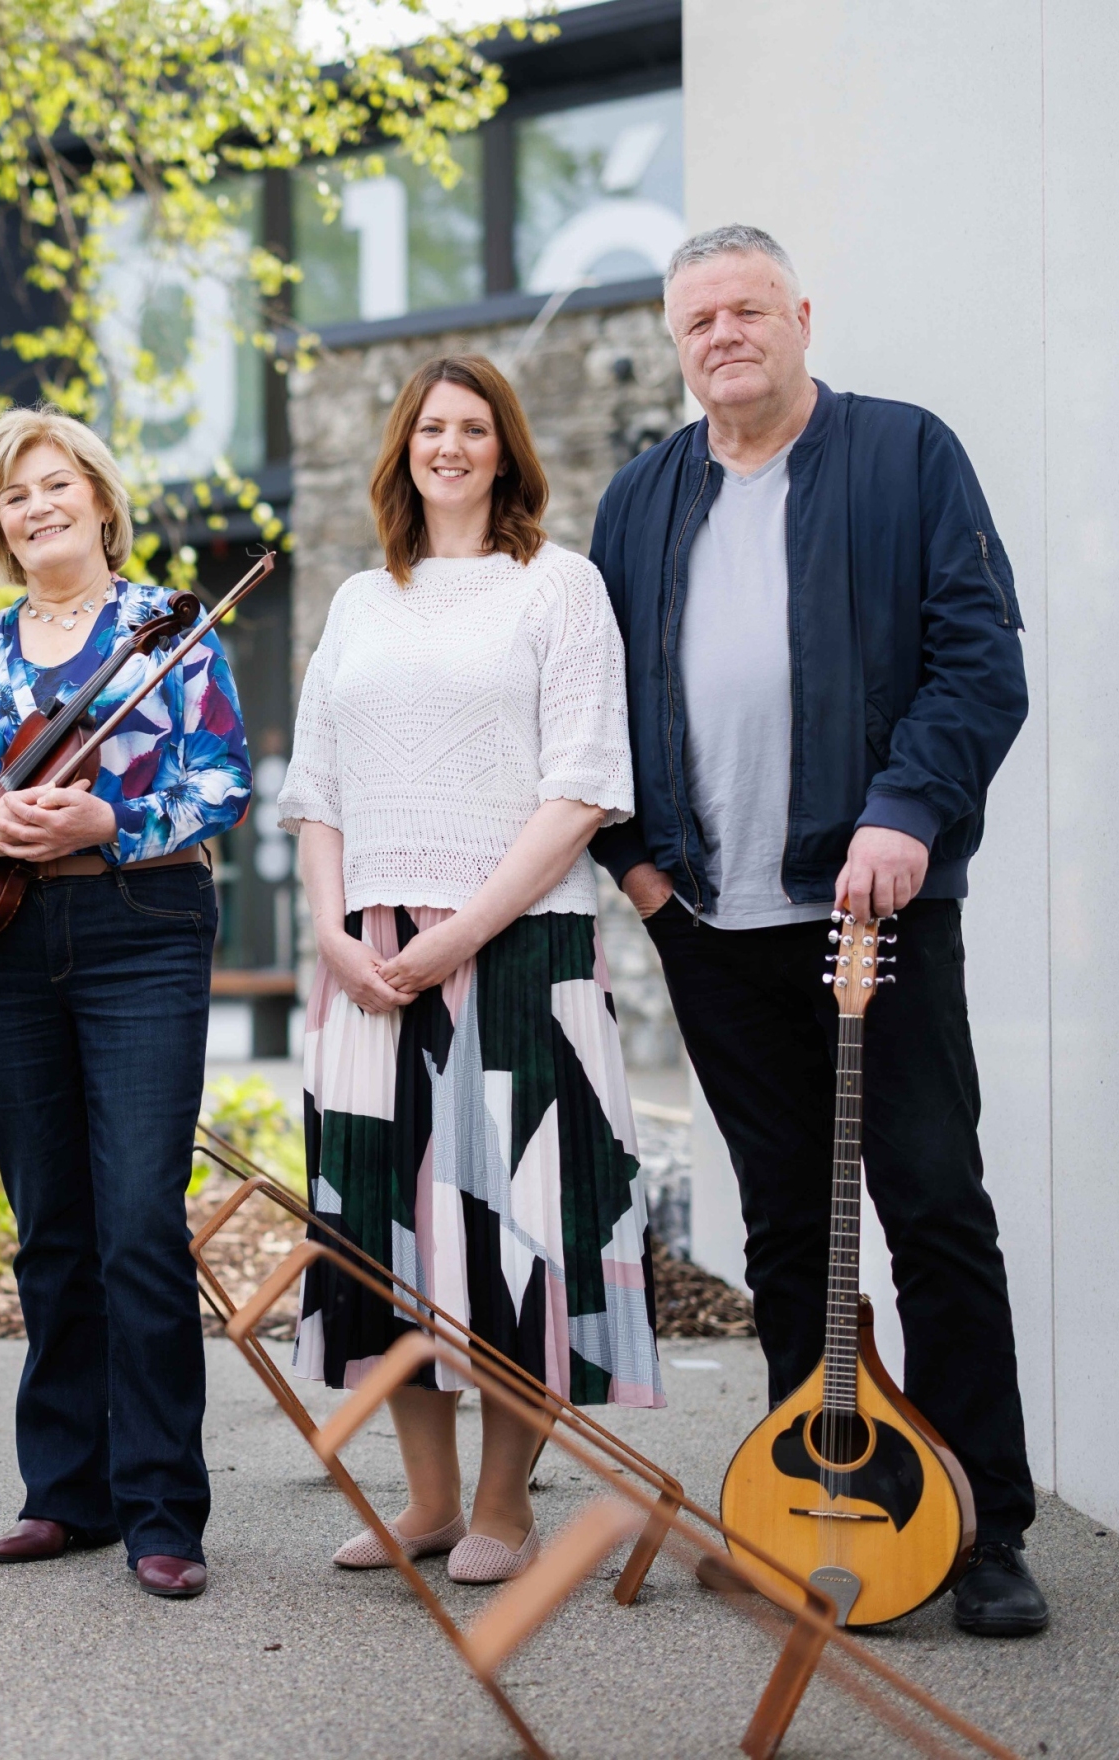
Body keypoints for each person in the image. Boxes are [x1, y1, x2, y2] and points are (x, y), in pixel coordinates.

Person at [588, 224, 1042, 1637]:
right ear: (679, 346)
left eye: (744, 310)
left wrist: (905, 813)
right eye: (695, 322)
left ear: (797, 315)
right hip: (715, 926)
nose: (721, 336)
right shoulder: (642, 499)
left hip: (877, 915)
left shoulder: (906, 458)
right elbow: (593, 710)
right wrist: (645, 877)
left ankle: (984, 1526)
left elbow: (980, 661)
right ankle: (818, 1496)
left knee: (932, 1209)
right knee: (789, 1228)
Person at [278, 357, 657, 1586]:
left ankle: (506, 1506)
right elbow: (317, 787)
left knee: (518, 1232)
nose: (450, 446)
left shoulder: (559, 588)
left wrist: (458, 933)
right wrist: (336, 929)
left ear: (505, 452)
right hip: (368, 959)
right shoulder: (356, 600)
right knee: (388, 1237)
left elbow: (586, 784)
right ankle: (427, 1504)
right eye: (430, 427)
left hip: (519, 950)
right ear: (403, 448)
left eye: (473, 429)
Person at [0, 406, 250, 1599]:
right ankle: (66, 1490)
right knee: (48, 1216)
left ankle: (161, 1506)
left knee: (138, 1216)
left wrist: (111, 819)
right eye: (11, 498)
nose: (34, 509)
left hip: (140, 925)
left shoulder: (170, 633)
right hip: (9, 936)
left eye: (53, 487)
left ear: (98, 496)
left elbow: (222, 776)